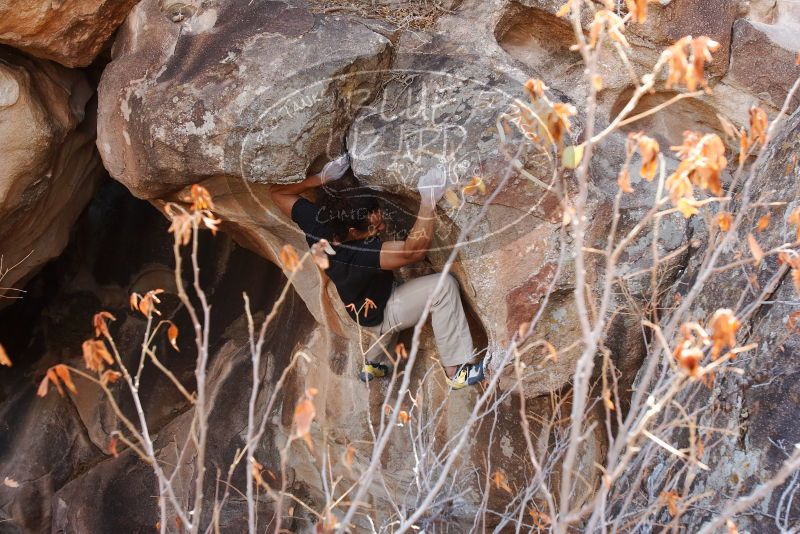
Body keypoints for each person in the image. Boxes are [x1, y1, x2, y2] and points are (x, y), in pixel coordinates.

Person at [270, 152, 484, 389]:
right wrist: (428, 201)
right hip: (382, 309)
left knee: (379, 304)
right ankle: (456, 371)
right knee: (443, 287)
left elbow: (278, 194)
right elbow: (413, 252)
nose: (381, 227)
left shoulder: (318, 221)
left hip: (360, 305)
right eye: (375, 226)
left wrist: (321, 178)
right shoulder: (358, 256)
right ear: (353, 232)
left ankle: (374, 363)